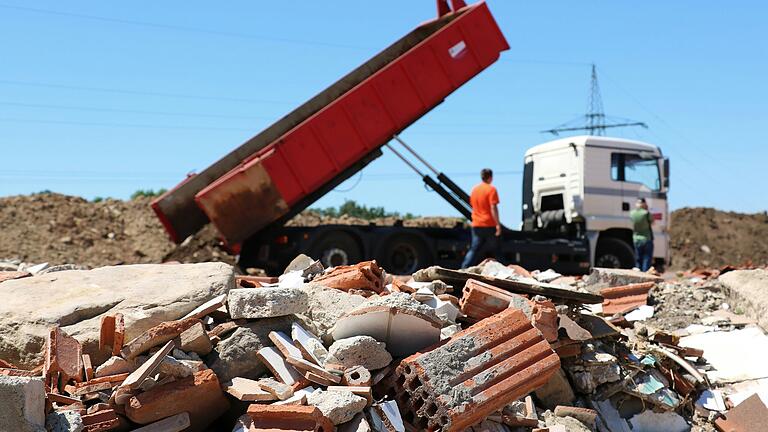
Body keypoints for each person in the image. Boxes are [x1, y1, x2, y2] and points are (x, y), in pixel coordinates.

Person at [461, 168, 502, 268]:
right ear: (491, 177)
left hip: (476, 224)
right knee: (496, 249)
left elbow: (473, 205)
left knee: (474, 249)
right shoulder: (491, 189)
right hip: (489, 224)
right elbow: (493, 207)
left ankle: (464, 268)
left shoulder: (474, 190)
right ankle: (502, 269)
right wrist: (498, 224)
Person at [630, 197, 654, 271]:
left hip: (636, 239)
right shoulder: (646, 213)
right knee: (646, 259)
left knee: (638, 259)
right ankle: (645, 274)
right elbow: (652, 222)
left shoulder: (632, 213)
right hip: (646, 238)